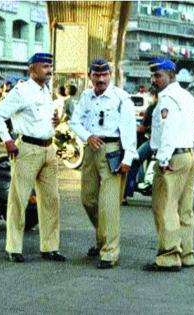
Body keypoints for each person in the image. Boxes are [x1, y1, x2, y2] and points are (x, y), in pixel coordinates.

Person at [0, 52, 66, 263]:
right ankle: (13, 248)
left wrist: (54, 121)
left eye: (50, 66)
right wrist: (6, 140)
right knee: (18, 200)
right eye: (45, 66)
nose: (49, 70)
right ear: (32, 69)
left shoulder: (46, 91)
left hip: (48, 150)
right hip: (27, 149)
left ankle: (50, 247)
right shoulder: (21, 91)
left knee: (51, 200)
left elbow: (43, 119)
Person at [70, 58, 137, 269]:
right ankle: (103, 238)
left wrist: (127, 159)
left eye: (104, 75)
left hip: (112, 151)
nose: (100, 79)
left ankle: (109, 252)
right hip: (91, 149)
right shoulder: (86, 96)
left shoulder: (120, 98)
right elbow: (75, 121)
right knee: (88, 199)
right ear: (90, 76)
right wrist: (87, 136)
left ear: (110, 75)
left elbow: (129, 130)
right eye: (96, 75)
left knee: (109, 205)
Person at [143, 58, 194, 272]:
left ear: (171, 75)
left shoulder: (168, 98)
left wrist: (163, 158)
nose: (154, 80)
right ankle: (186, 254)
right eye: (153, 75)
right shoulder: (186, 96)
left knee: (165, 207)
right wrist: (187, 139)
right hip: (188, 154)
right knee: (184, 209)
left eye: (158, 75)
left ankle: (169, 256)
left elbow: (167, 129)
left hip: (172, 157)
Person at [122, 89, 158, 204]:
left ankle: (124, 194)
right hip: (171, 144)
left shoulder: (153, 108)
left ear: (154, 95)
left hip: (154, 143)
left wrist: (135, 129)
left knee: (133, 160)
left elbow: (142, 128)